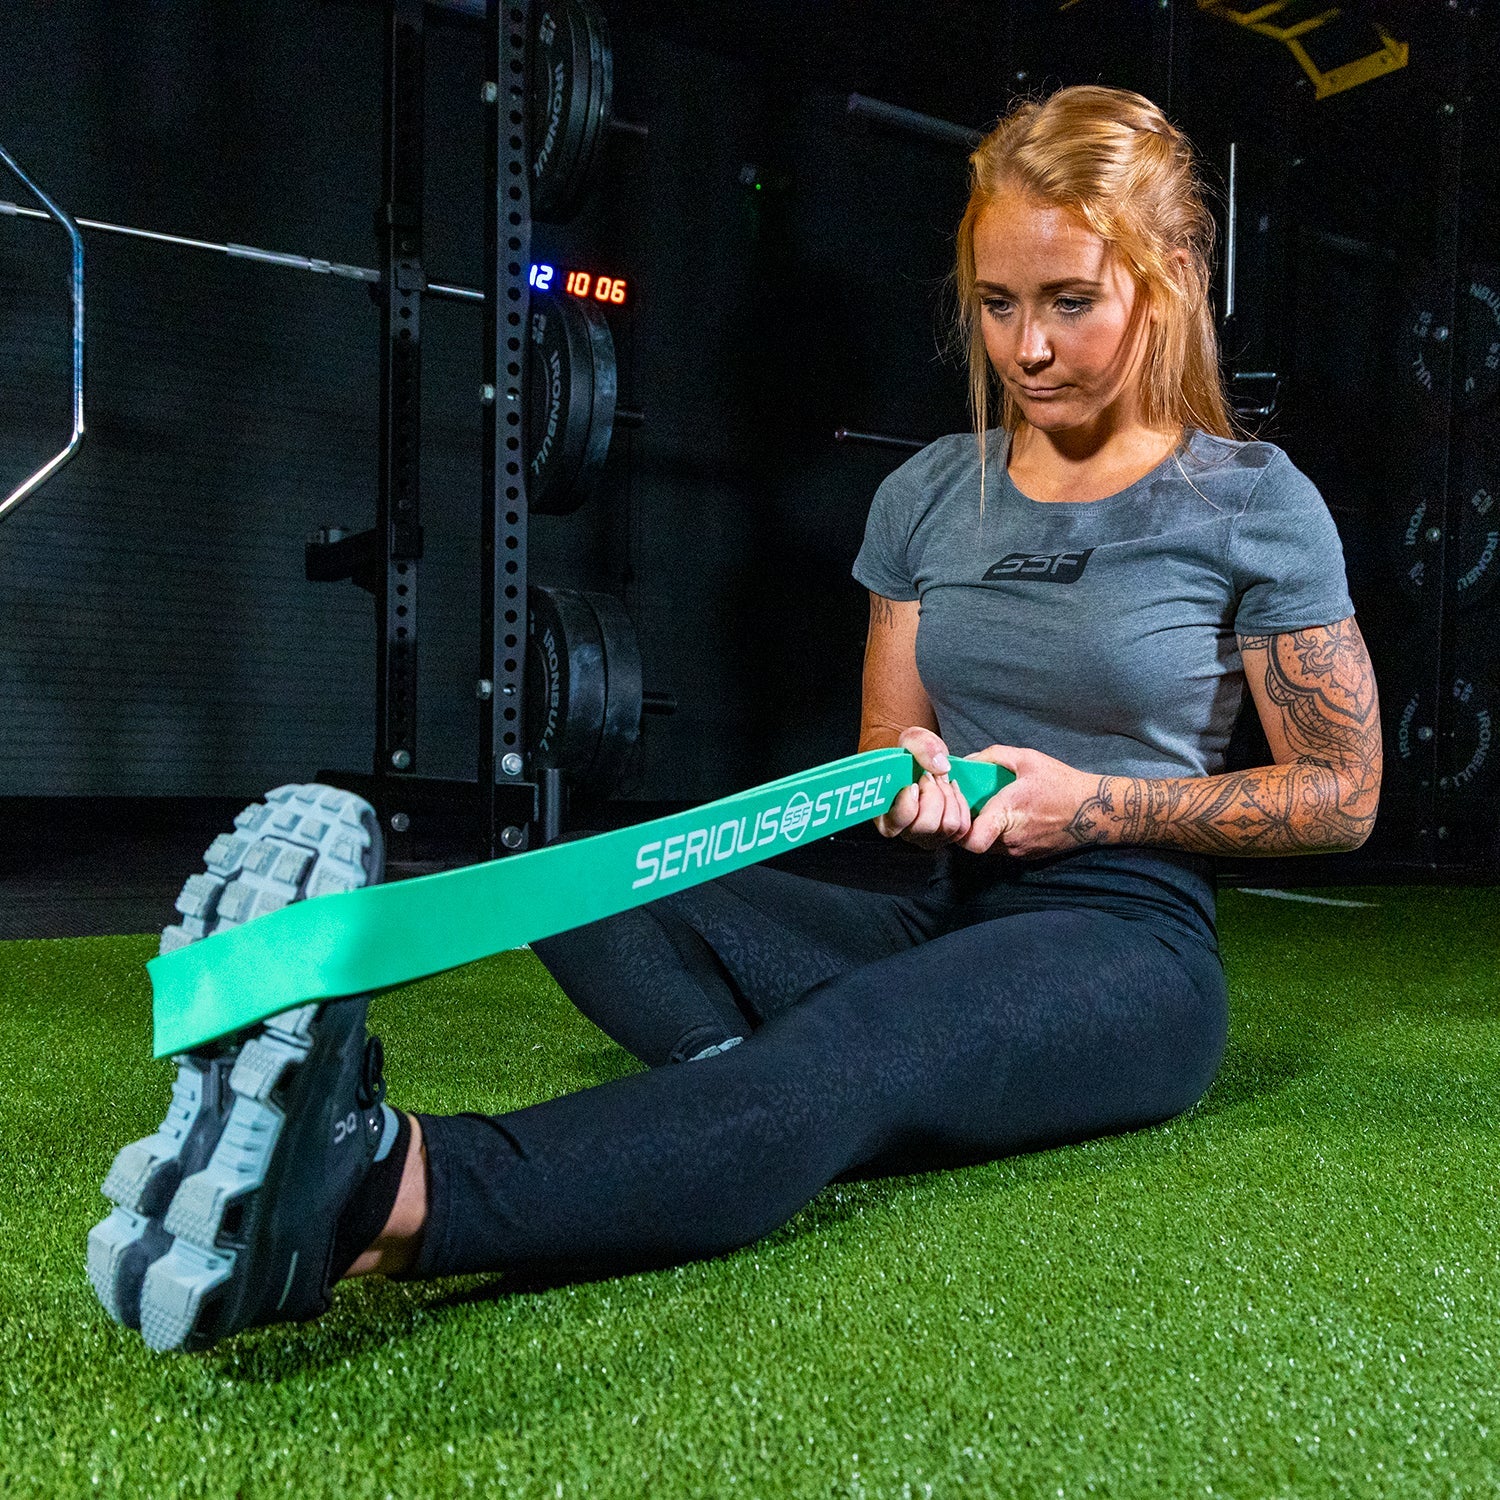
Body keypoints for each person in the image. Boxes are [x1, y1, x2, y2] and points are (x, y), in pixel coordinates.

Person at [88, 84, 1381, 1353]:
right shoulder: (931, 495)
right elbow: (888, 748)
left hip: (1127, 949)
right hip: (943, 917)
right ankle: (729, 1111)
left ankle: (370, 1193)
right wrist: (910, 781)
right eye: (997, 304)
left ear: (1167, 279)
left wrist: (1093, 805)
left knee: (850, 1052)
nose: (1026, 349)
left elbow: (1343, 793)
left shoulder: (1249, 503)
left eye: (1068, 303)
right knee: (583, 880)